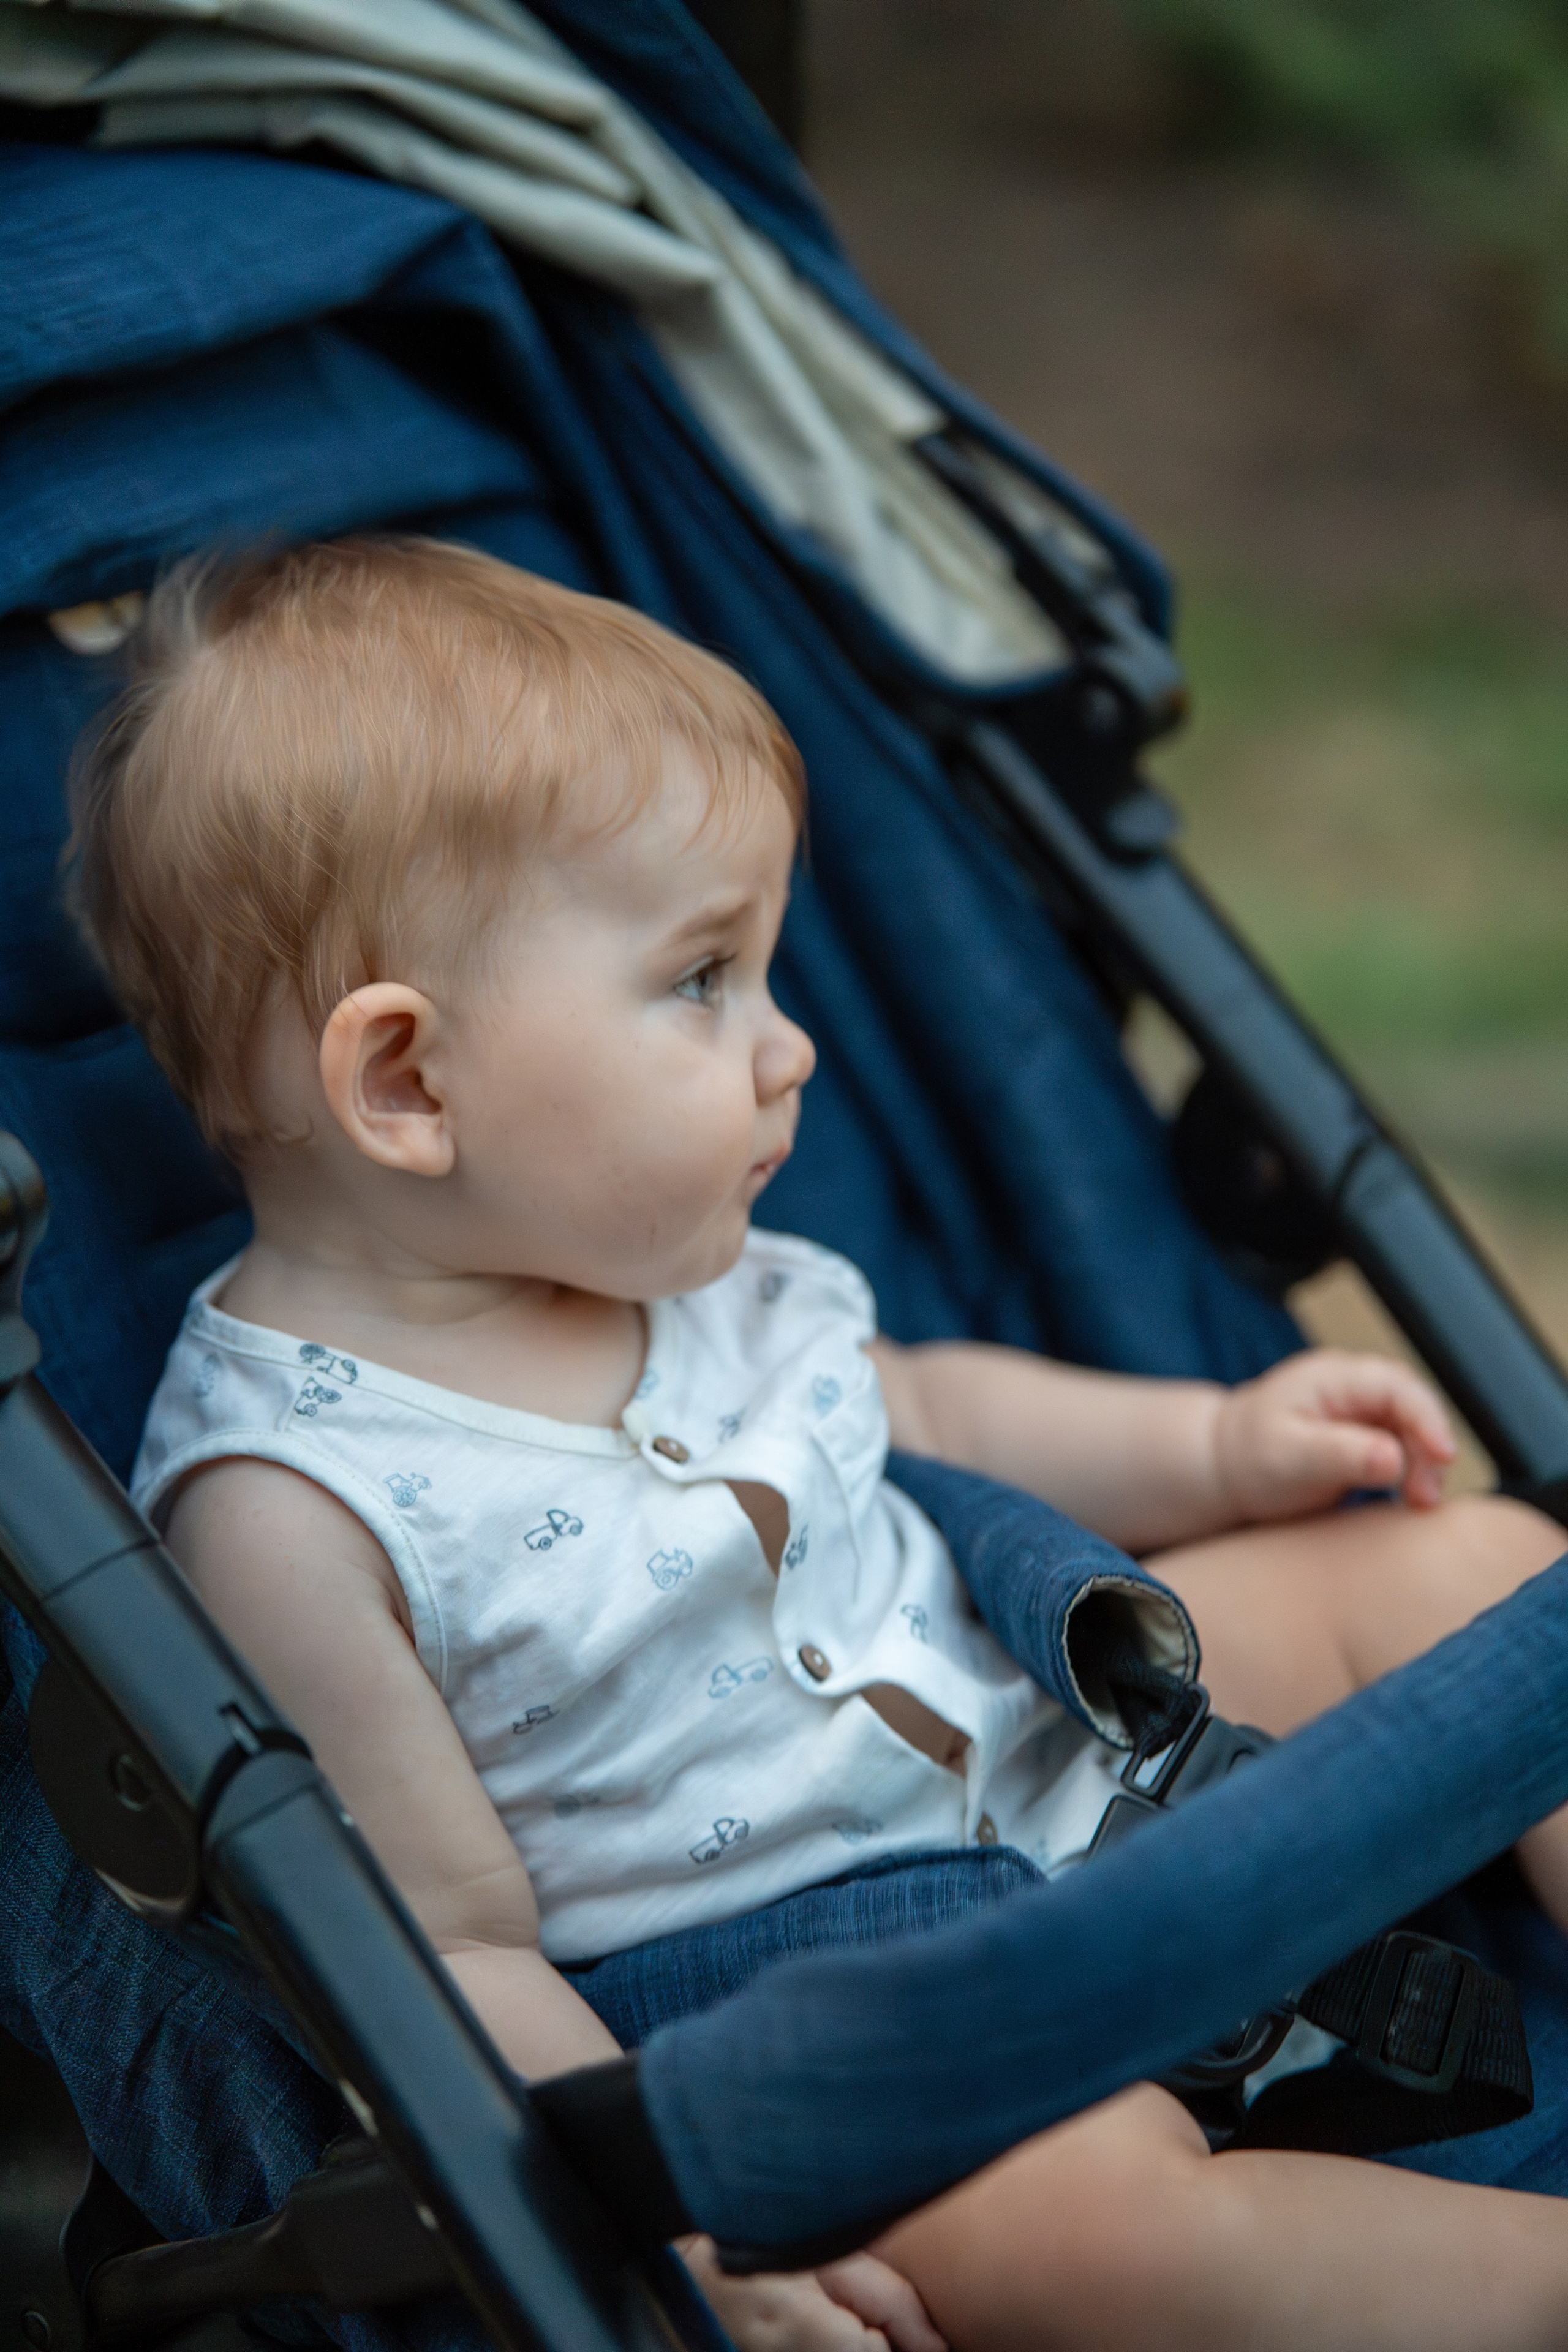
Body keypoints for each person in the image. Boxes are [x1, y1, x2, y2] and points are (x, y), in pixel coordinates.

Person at [81, 537, 1568, 2351]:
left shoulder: (688, 1267)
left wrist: (1218, 1441)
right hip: (828, 1979)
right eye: (707, 978)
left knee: (1473, 1568)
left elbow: (927, 1407)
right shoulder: (290, 1510)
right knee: (1075, 2222)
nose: (789, 1051)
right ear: (406, 1084)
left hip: (1054, 1729)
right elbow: (453, 1953)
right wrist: (665, 2237)